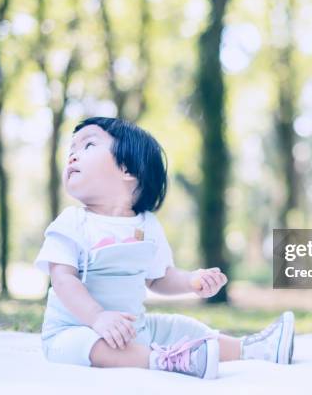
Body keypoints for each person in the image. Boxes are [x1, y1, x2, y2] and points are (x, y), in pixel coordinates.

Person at [34, 117, 295, 379]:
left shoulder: (147, 225)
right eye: (72, 149)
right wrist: (98, 318)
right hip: (74, 331)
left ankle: (253, 348)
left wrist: (192, 281)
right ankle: (166, 360)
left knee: (183, 327)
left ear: (128, 168)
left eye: (88, 145)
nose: (73, 156)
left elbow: (159, 278)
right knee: (93, 346)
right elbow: (62, 278)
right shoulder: (72, 222)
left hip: (133, 327)